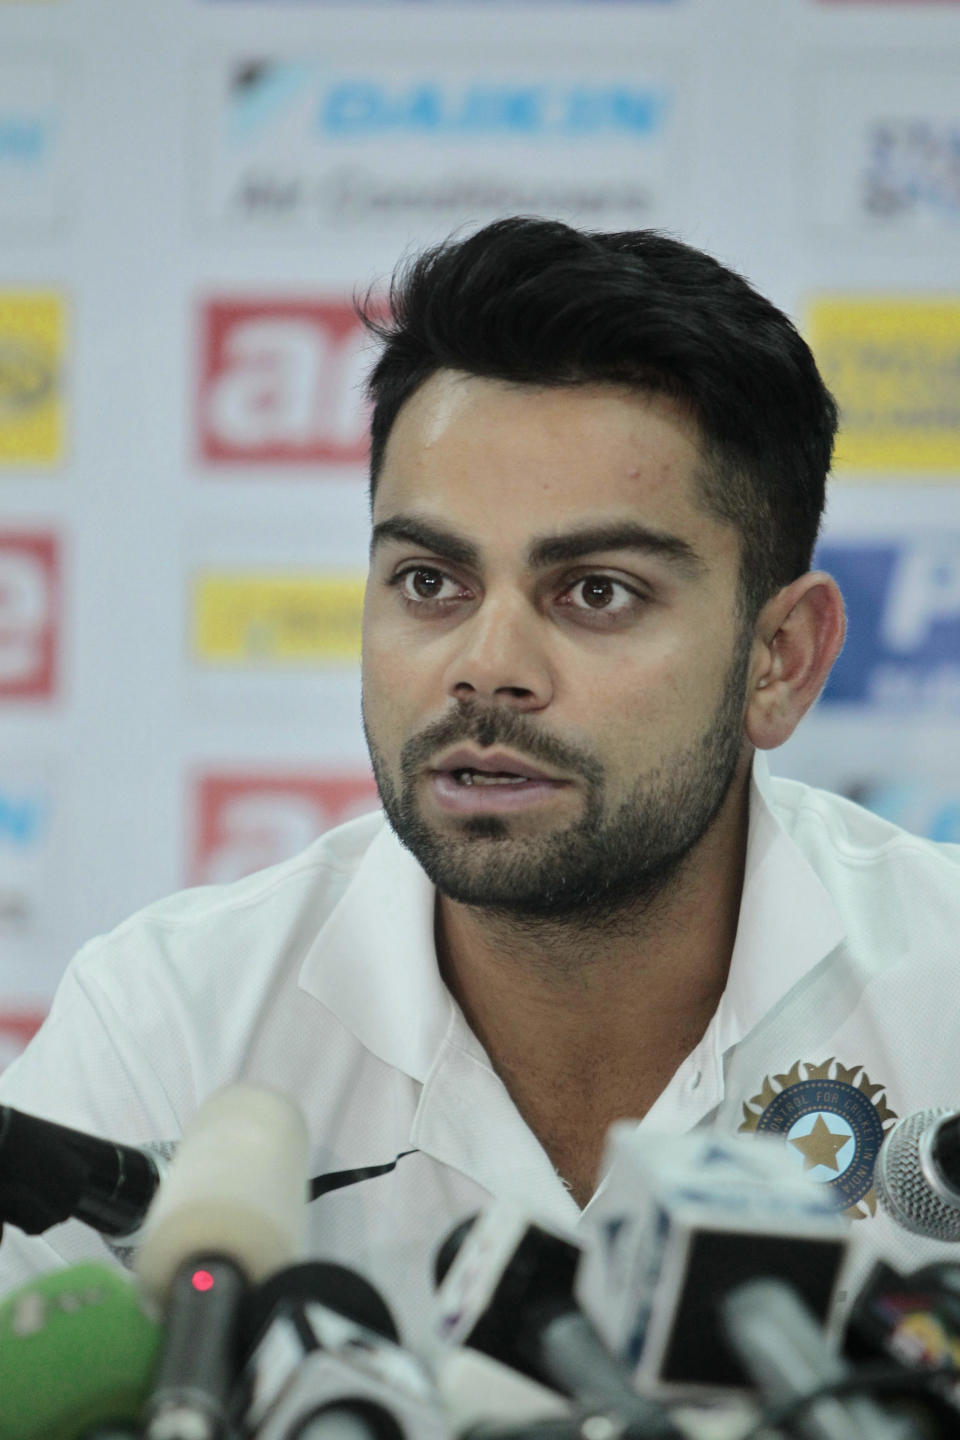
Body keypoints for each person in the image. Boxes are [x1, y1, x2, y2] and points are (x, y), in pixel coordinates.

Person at [0, 218, 958, 1347]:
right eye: (429, 580)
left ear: (780, 660)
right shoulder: (174, 1027)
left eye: (596, 592)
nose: (486, 666)